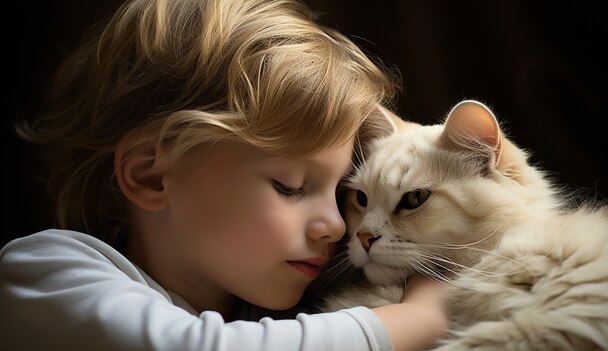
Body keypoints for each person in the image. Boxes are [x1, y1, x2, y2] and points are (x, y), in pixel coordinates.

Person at [0, 0, 447, 350]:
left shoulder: (271, 316)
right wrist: (427, 315)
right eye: (290, 187)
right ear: (151, 176)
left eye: (339, 193)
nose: (334, 225)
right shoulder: (46, 275)